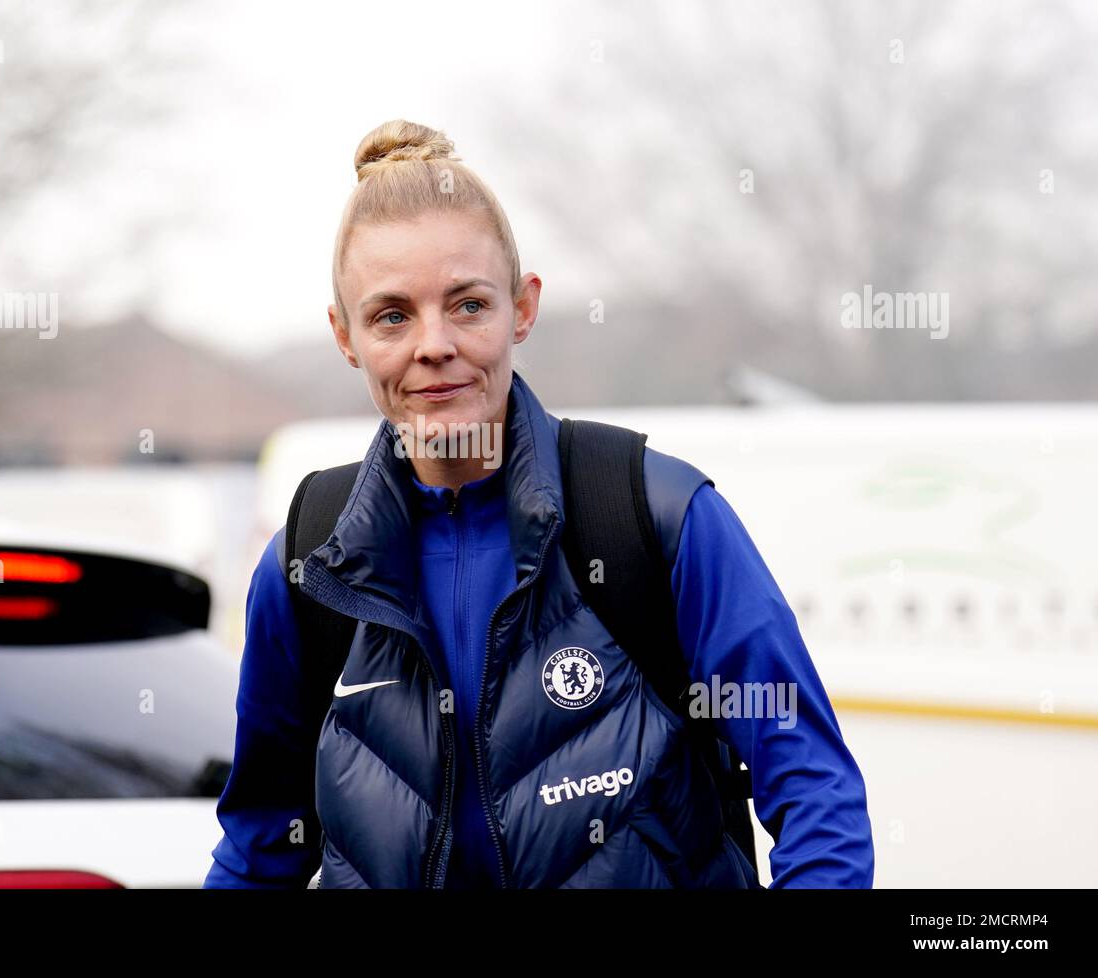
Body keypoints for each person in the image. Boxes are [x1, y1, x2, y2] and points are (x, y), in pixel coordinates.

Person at [204, 119, 873, 889]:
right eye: (392, 315)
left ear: (522, 308)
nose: (433, 344)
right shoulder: (307, 562)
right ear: (345, 335)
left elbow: (816, 790)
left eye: (468, 305)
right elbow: (260, 850)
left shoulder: (652, 516)